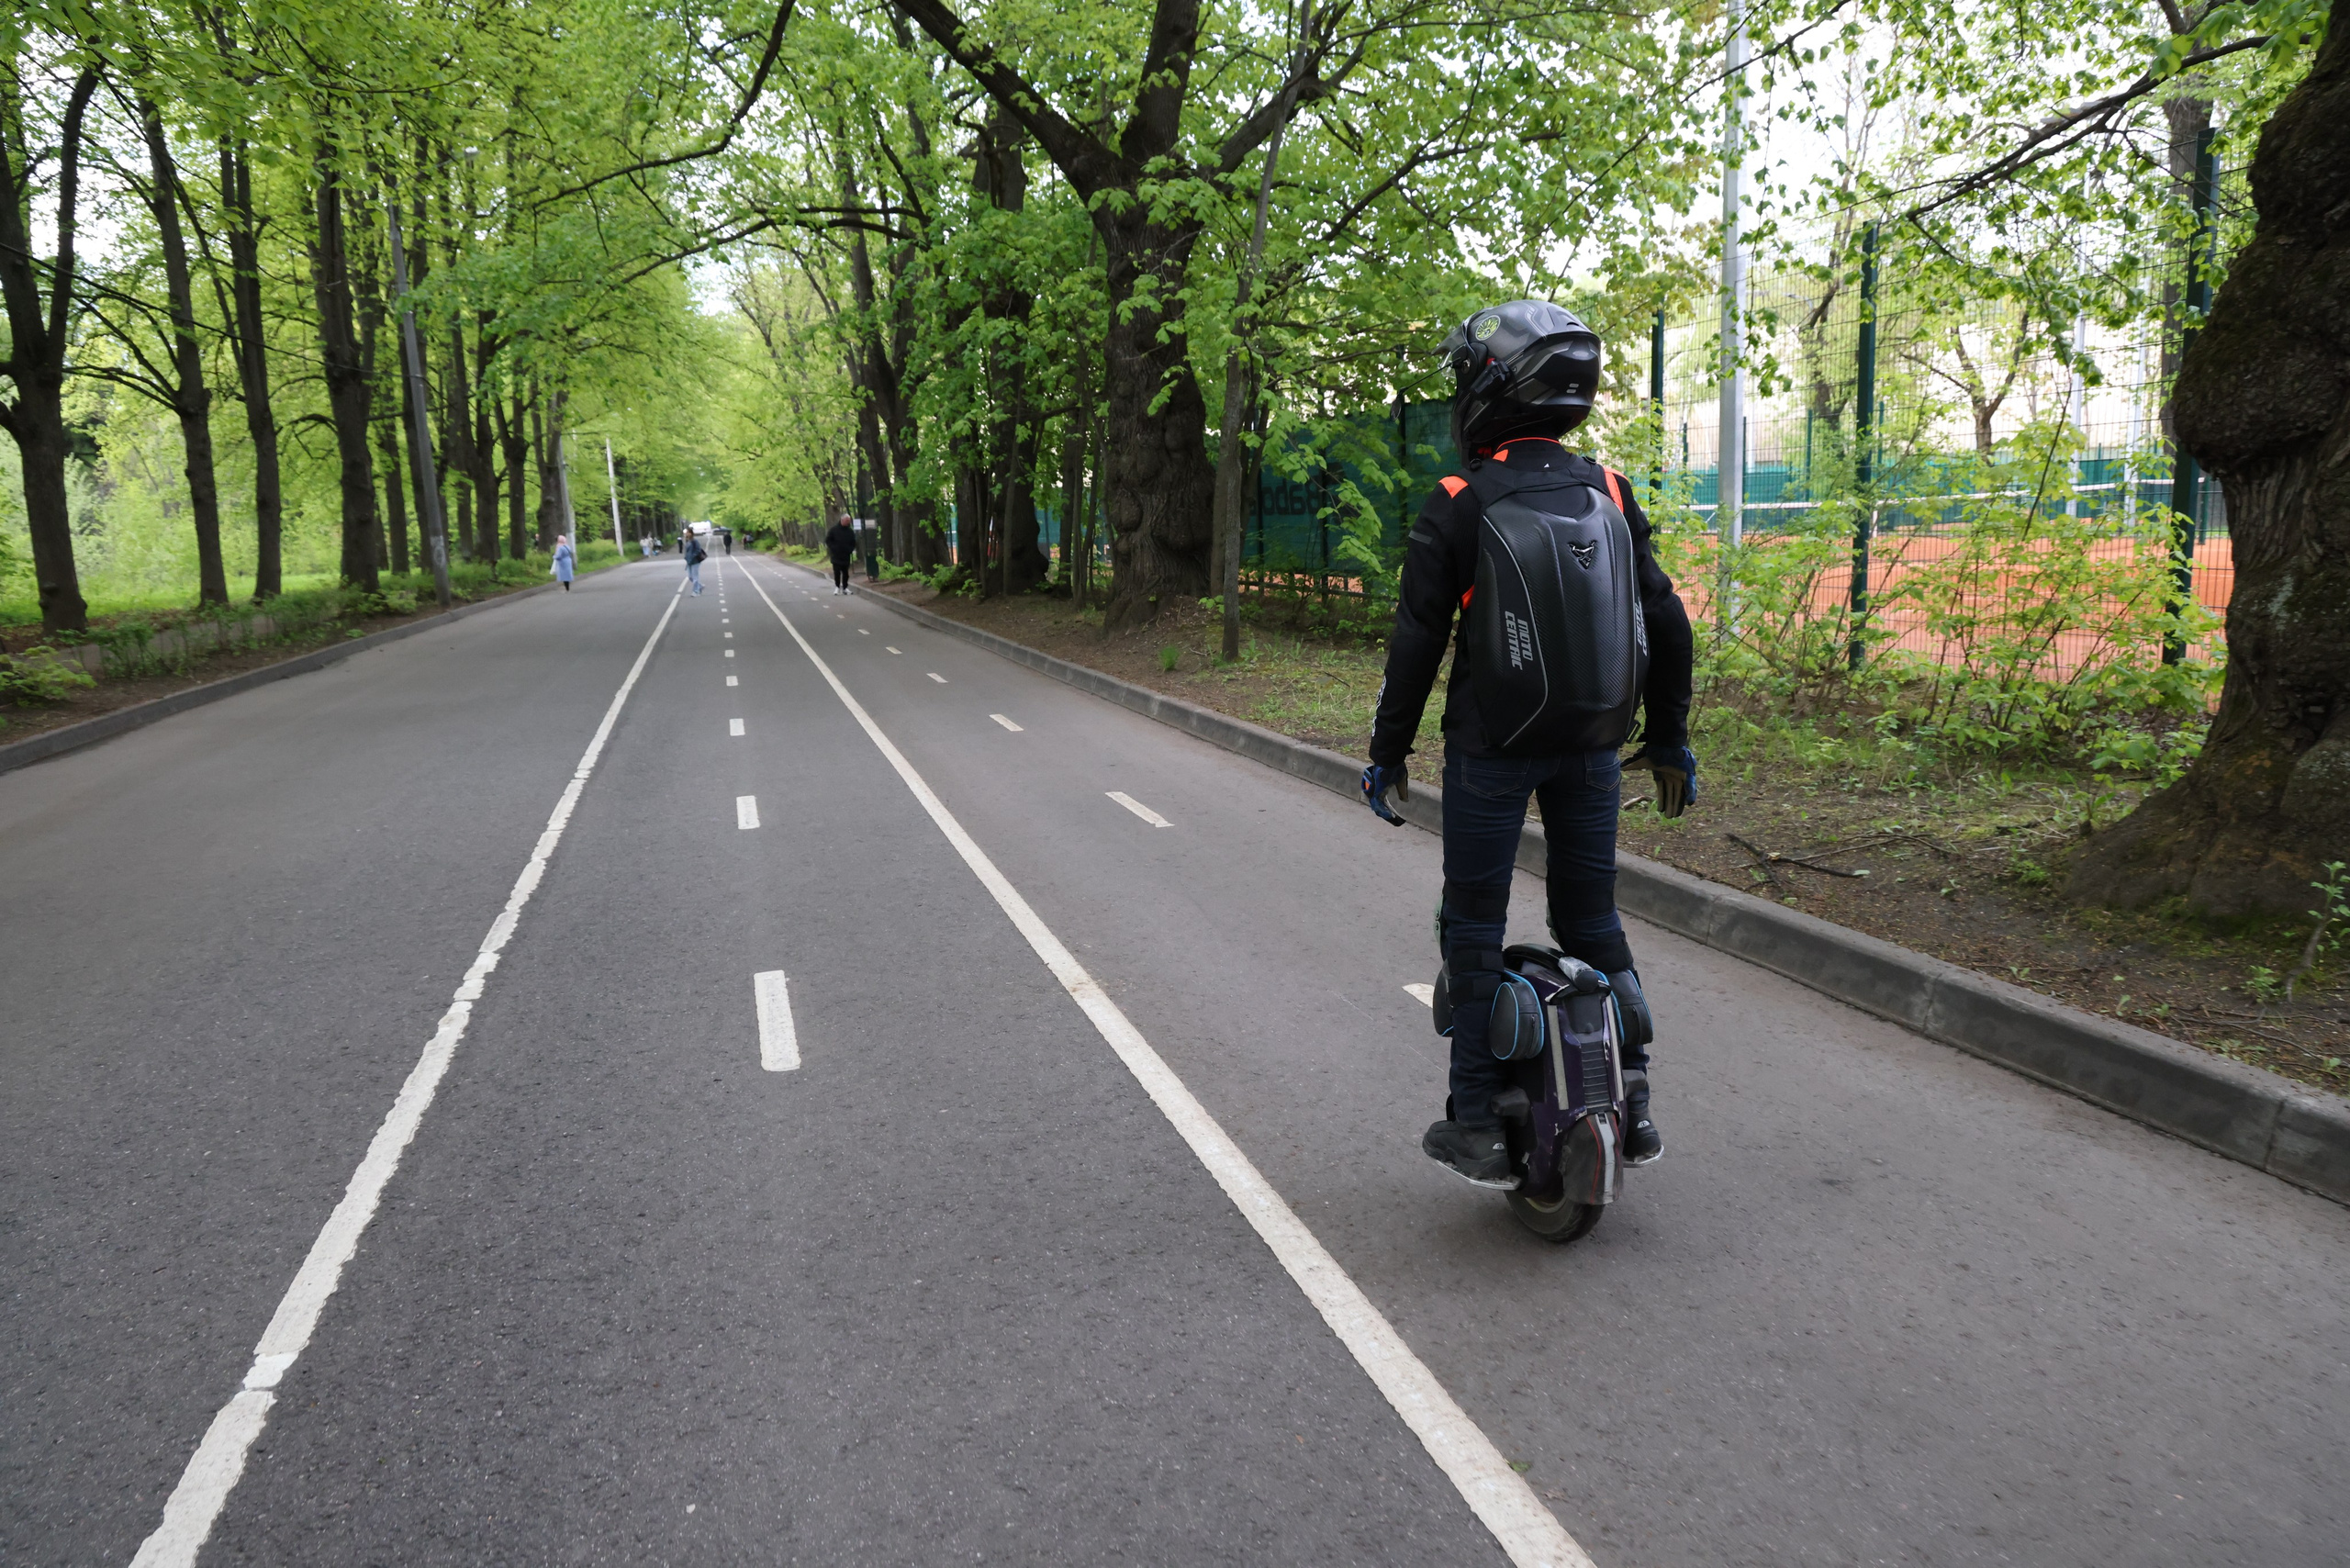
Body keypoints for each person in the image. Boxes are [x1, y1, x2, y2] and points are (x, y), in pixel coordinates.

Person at [1360, 300, 1697, 1188]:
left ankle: (1475, 1119)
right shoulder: (1612, 492)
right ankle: (1638, 1100)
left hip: (1490, 753)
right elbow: (1668, 620)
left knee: (1473, 927)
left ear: (1487, 389)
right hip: (1592, 749)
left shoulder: (1459, 501)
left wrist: (1387, 752)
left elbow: (1416, 645)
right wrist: (1670, 740)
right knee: (1592, 919)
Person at [824, 514, 856, 594]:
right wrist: (833, 548)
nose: (848, 523)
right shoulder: (833, 530)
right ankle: (837, 587)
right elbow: (828, 540)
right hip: (836, 555)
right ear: (842, 520)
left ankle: (845, 587)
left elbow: (854, 542)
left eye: (849, 521)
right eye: (847, 521)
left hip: (846, 555)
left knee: (846, 573)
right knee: (837, 572)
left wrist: (850, 549)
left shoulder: (850, 531)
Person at [683, 527, 707, 595]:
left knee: (695, 577)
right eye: (686, 533)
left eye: (688, 532)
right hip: (689, 561)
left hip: (695, 561)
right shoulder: (687, 541)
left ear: (691, 533)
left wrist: (693, 556)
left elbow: (698, 550)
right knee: (690, 577)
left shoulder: (694, 541)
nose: (686, 534)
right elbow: (686, 551)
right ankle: (700, 586)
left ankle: (695, 591)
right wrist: (686, 557)